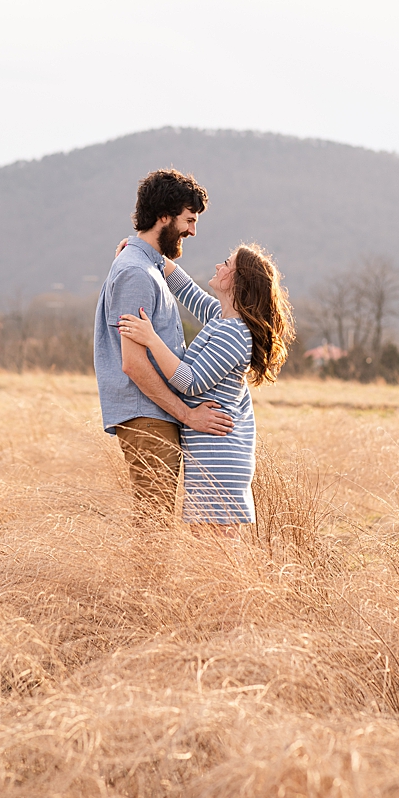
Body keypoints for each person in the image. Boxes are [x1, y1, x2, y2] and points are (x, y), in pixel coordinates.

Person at [118, 243, 294, 533]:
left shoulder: (234, 334)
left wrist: (150, 339)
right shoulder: (222, 319)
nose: (218, 266)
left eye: (226, 264)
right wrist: (144, 249)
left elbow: (189, 381)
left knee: (217, 555)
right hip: (210, 456)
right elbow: (186, 290)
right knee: (211, 553)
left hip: (218, 459)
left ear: (238, 282)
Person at [94, 169, 234, 514]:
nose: (192, 231)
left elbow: (193, 295)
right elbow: (133, 362)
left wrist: (152, 255)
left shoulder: (145, 267)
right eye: (188, 220)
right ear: (163, 217)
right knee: (154, 524)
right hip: (148, 416)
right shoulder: (136, 273)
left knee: (155, 522)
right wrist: (189, 415)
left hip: (154, 414)